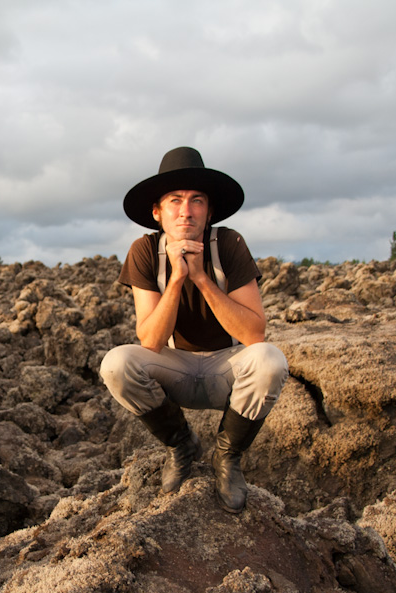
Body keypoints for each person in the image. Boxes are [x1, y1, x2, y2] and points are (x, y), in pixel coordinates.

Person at [100, 146, 288, 512]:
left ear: (209, 211)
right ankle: (182, 445)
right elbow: (151, 340)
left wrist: (201, 277)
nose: (186, 211)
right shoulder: (144, 251)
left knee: (270, 361)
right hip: (176, 368)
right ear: (157, 212)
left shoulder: (228, 244)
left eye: (196, 201)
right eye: (175, 200)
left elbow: (254, 335)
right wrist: (175, 280)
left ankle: (227, 457)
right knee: (116, 364)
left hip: (226, 369)